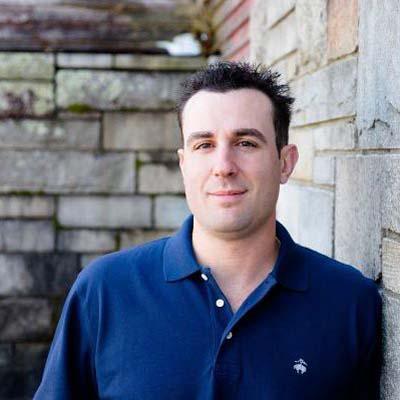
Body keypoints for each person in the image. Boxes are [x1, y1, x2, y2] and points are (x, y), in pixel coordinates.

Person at [34, 62, 382, 399]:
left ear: (285, 162)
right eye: (204, 145)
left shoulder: (349, 302)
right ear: (184, 165)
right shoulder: (104, 290)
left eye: (246, 143)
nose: (223, 167)